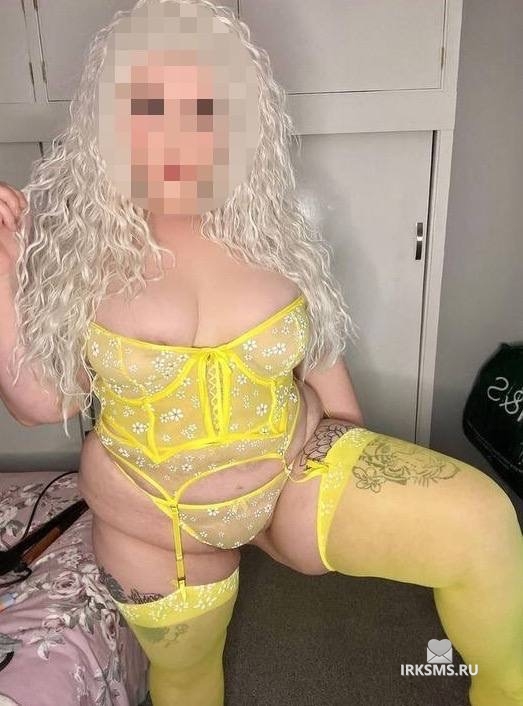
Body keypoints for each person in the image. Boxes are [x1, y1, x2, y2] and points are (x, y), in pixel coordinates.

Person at [0, 1, 521, 705]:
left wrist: (337, 471)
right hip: (157, 527)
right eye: (150, 108)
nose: (178, 137)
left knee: (481, 523)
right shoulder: (78, 259)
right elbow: (40, 403)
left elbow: (330, 379)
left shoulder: (276, 238)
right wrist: (4, 274)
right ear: (110, 125)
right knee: (188, 680)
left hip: (293, 477)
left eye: (204, 109)